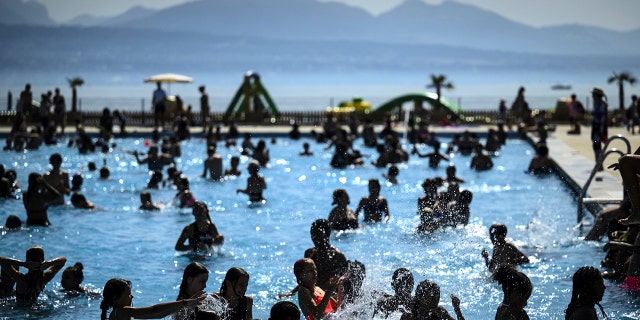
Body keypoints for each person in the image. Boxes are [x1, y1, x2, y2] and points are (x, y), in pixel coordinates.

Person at [100, 277, 206, 320]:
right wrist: (184, 302)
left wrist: (187, 303)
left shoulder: (125, 314)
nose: (132, 296)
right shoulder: (120, 312)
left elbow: (159, 314)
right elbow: (153, 309)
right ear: (115, 298)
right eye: (128, 294)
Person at [0, 246, 66, 304]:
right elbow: (63, 260)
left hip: (19, 310)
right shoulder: (45, 278)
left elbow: (1, 261)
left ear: (27, 261)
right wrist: (49, 263)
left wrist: (23, 264)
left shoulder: (21, 280)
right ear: (43, 260)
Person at [304, 219, 349, 292]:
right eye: (312, 234)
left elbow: (344, 281)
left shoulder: (338, 256)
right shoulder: (309, 253)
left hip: (331, 294)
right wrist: (291, 293)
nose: (314, 238)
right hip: (314, 292)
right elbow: (305, 280)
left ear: (327, 234)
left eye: (318, 235)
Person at [400, 279, 465, 320]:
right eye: (432, 297)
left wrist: (457, 310)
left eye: (437, 296)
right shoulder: (408, 317)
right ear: (420, 298)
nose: (436, 301)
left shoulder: (439, 311)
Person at [590, 87, 608, 170]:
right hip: (595, 127)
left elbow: (602, 119)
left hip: (598, 128)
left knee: (597, 145)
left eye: (593, 94)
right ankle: (598, 163)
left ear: (597, 95)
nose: (592, 96)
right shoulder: (596, 103)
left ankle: (599, 164)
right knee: (595, 145)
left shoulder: (602, 104)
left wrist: (601, 130)